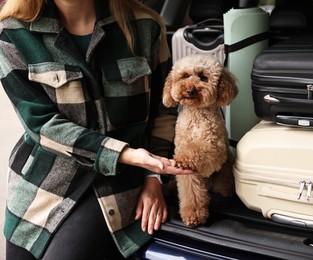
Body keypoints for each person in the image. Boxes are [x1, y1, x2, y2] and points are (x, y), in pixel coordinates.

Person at [0, 0, 194, 259]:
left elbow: (164, 111)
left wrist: (153, 177)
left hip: (118, 183)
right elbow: (42, 125)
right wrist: (128, 154)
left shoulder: (145, 27)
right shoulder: (12, 34)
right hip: (42, 186)